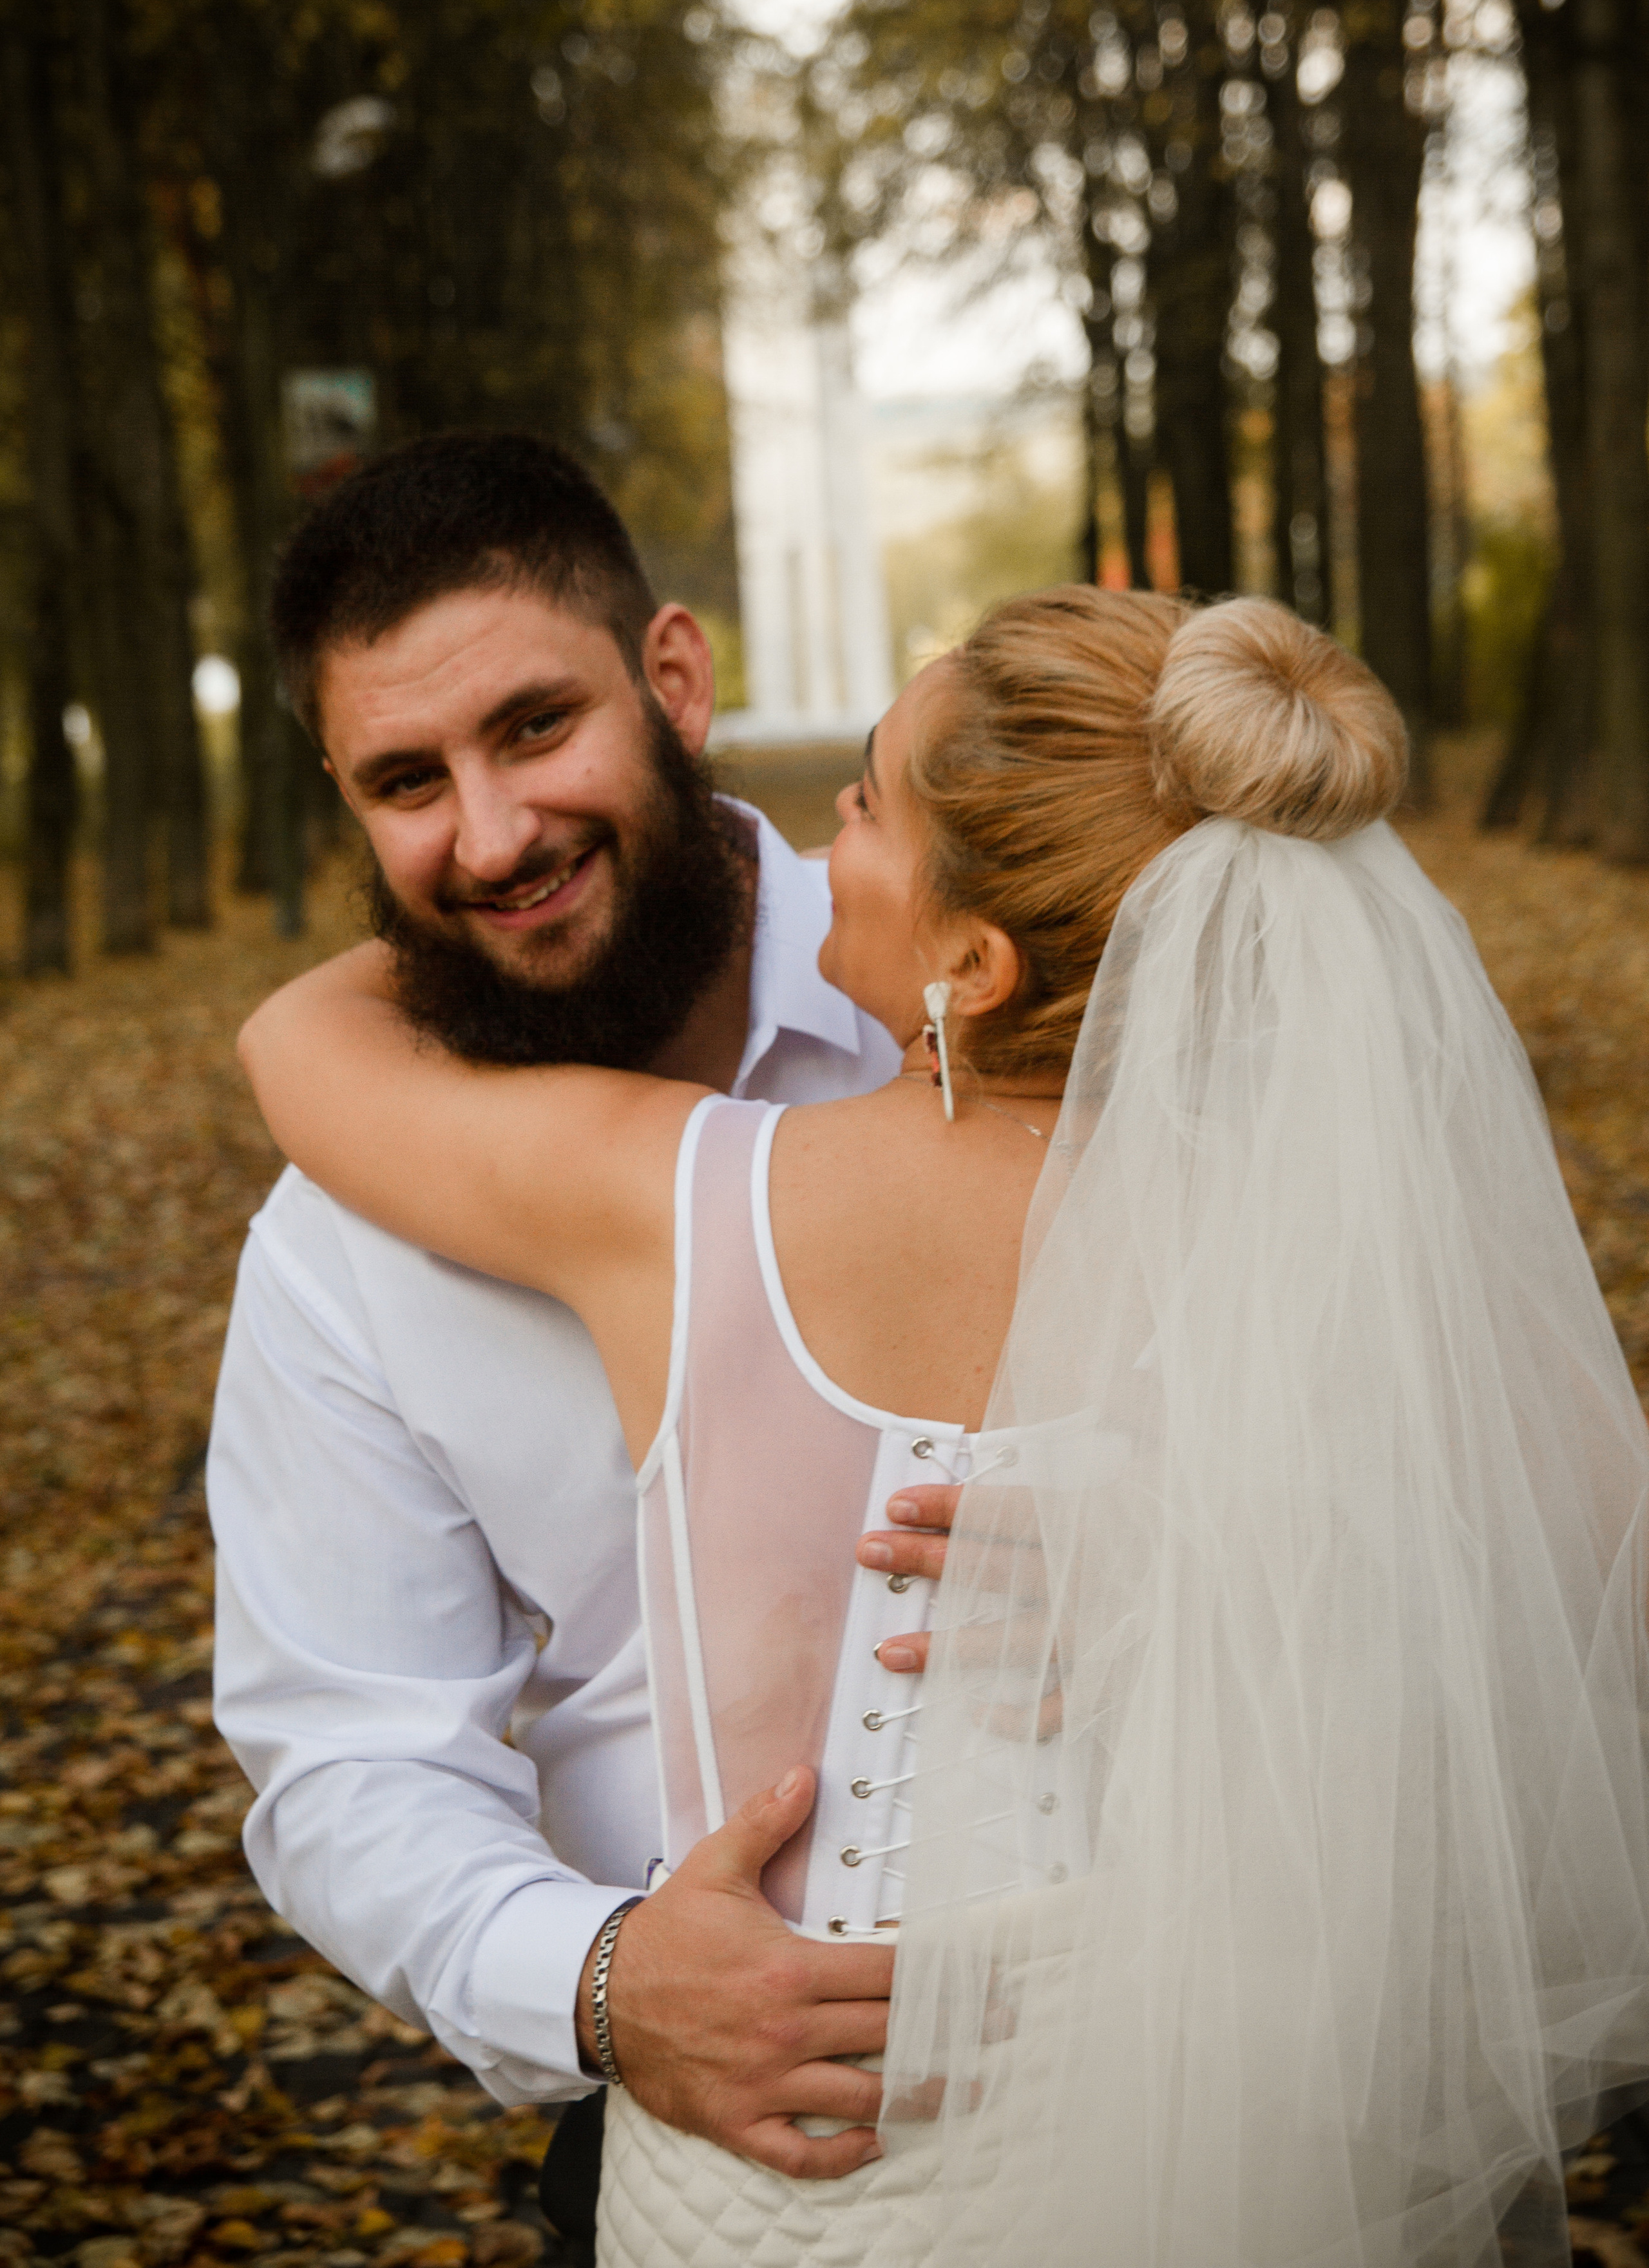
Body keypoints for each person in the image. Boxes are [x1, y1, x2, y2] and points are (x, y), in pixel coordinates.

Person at [238, 582, 1649, 2267]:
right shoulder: (1320, 1216)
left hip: (824, 2181)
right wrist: (1253, 1546)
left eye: (863, 807)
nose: (823, 840)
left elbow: (296, 1043)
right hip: (1269, 2118)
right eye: (411, 779)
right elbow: (1592, 1562)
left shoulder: (691, 1201)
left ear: (973, 963)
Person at [207, 434, 955, 2262]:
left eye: (535, 727)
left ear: (671, 679)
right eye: (406, 780)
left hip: (1176, 2025)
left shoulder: (975, 995)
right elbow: (350, 1750)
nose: (490, 837)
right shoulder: (338, 1242)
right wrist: (613, 1981)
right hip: (710, 2132)